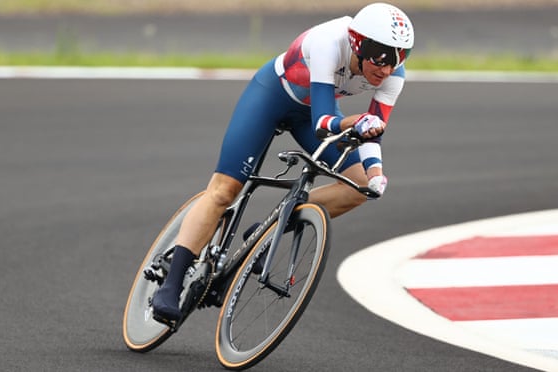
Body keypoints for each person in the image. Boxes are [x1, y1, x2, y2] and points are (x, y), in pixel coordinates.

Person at [151, 2, 414, 324]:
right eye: (381, 55)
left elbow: (374, 134)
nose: (388, 67)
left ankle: (267, 229)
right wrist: (355, 123)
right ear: (358, 43)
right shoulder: (328, 42)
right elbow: (323, 121)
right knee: (224, 190)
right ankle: (171, 283)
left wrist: (375, 174)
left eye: (400, 56)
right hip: (272, 99)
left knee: (359, 187)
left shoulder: (393, 75)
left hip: (316, 114)